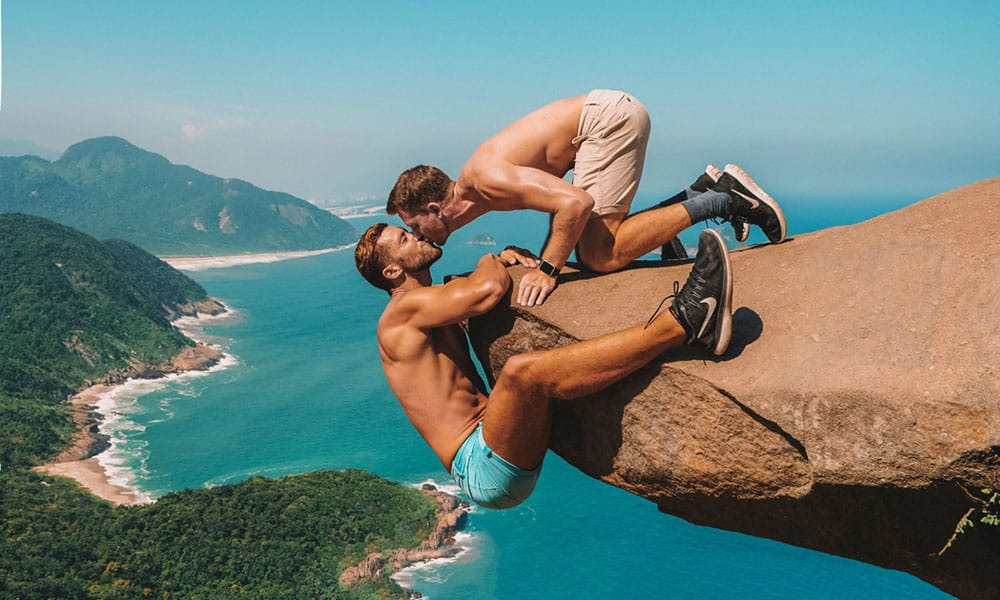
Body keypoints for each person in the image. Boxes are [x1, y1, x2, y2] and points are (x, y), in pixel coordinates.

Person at [354, 222, 733, 510]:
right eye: (404, 240)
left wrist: (496, 265)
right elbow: (487, 290)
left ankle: (661, 276)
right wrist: (492, 258)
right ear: (392, 272)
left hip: (496, 438)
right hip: (481, 467)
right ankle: (685, 321)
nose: (417, 235)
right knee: (522, 373)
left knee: (530, 372)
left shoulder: (429, 304)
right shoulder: (400, 313)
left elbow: (471, 295)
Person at [386, 89, 786, 307]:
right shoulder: (478, 190)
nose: (417, 234)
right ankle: (698, 192)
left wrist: (547, 269)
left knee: (599, 254)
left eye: (413, 225)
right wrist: (516, 253)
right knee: (597, 242)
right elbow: (563, 202)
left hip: (605, 123)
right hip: (606, 117)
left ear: (434, 208)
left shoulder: (486, 179)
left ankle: (723, 198)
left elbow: (575, 204)